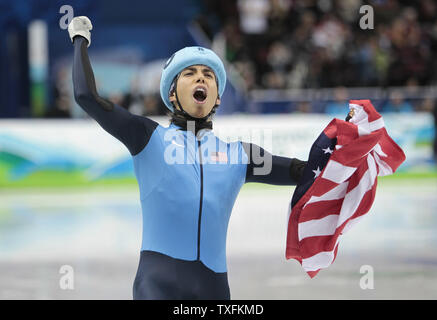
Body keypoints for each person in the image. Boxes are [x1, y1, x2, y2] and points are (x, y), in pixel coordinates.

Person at [68, 16, 307, 300]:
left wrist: (346, 144)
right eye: (190, 73)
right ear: (172, 92)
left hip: (215, 289)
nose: (201, 78)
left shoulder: (240, 155)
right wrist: (80, 39)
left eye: (208, 75)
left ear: (217, 97)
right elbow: (86, 97)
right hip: (158, 285)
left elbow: (303, 172)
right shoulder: (147, 137)